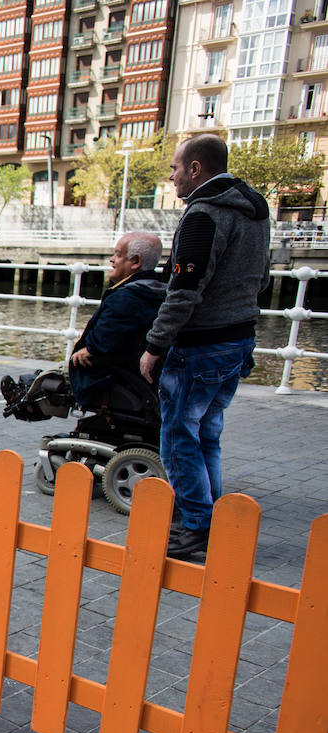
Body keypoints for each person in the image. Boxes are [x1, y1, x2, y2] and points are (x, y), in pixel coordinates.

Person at [139, 134, 270, 559]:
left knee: (178, 435)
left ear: (196, 168)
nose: (172, 176)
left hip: (201, 345)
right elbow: (263, 277)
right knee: (207, 434)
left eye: (176, 168)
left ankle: (195, 524)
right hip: (239, 339)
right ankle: (214, 517)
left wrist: (155, 345)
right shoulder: (255, 211)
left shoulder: (203, 215)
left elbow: (184, 290)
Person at [0, 231, 165, 418]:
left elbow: (101, 342)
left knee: (59, 373)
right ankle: (26, 397)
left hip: (109, 372)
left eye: (118, 254)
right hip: (129, 369)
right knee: (59, 369)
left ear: (135, 261)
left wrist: (89, 349)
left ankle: (27, 405)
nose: (112, 259)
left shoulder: (127, 297)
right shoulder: (156, 290)